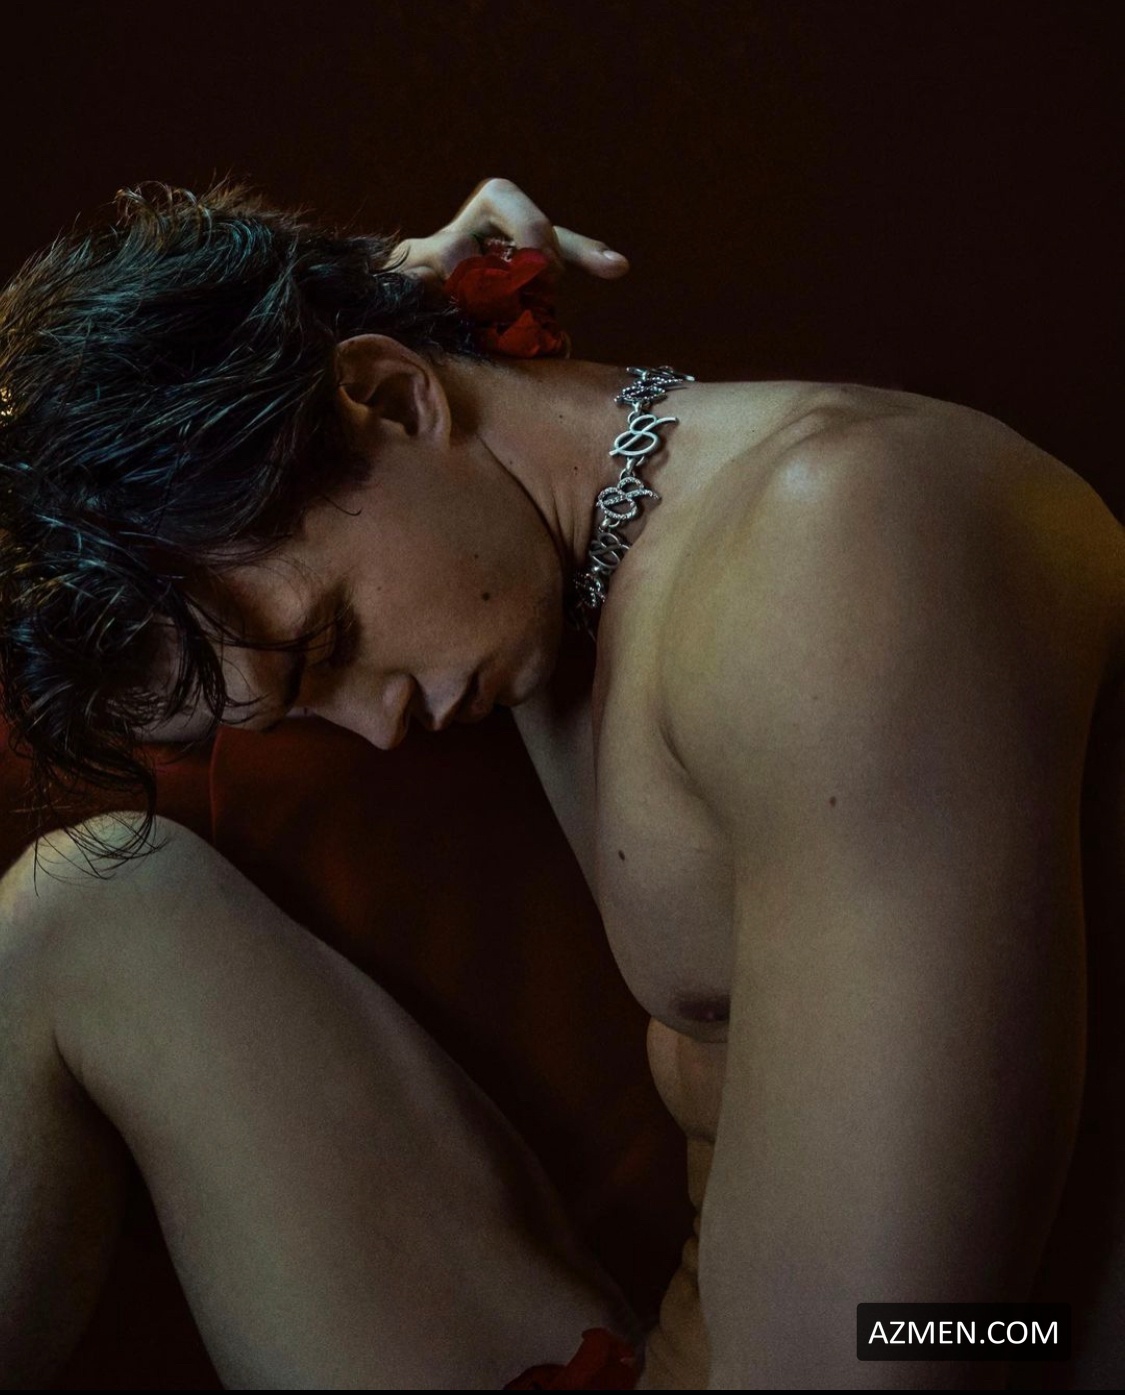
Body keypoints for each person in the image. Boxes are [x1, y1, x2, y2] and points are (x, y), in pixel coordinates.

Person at [0, 176, 1122, 1390]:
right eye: (299, 708)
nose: (375, 729)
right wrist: (367, 294)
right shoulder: (561, 552)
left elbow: (896, 1348)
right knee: (85, 906)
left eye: (330, 643)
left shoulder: (842, 544)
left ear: (396, 398)